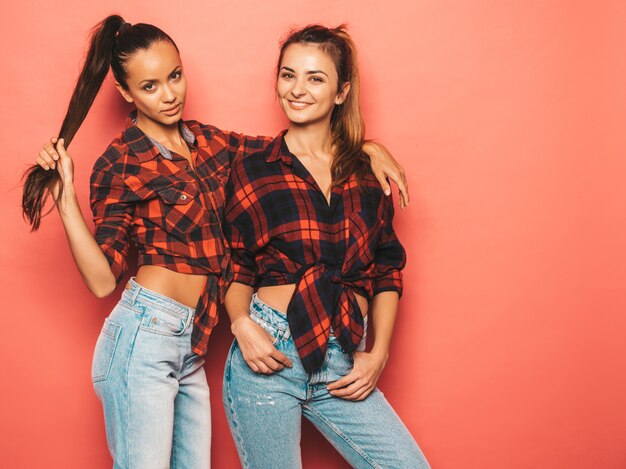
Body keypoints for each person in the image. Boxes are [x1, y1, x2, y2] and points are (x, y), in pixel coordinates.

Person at [23, 16, 409, 469]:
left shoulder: (210, 143)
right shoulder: (119, 161)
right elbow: (102, 280)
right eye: (149, 86)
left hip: (192, 344)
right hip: (144, 334)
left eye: (175, 76)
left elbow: (295, 150)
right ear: (125, 93)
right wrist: (66, 202)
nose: (168, 95)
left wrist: (367, 148)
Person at [223, 24, 430, 468]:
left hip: (339, 355)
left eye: (315, 78)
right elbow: (237, 264)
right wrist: (241, 324)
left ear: (341, 92)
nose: (297, 90)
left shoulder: (366, 171)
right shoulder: (253, 168)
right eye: (288, 75)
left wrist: (379, 353)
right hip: (268, 354)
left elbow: (387, 268)